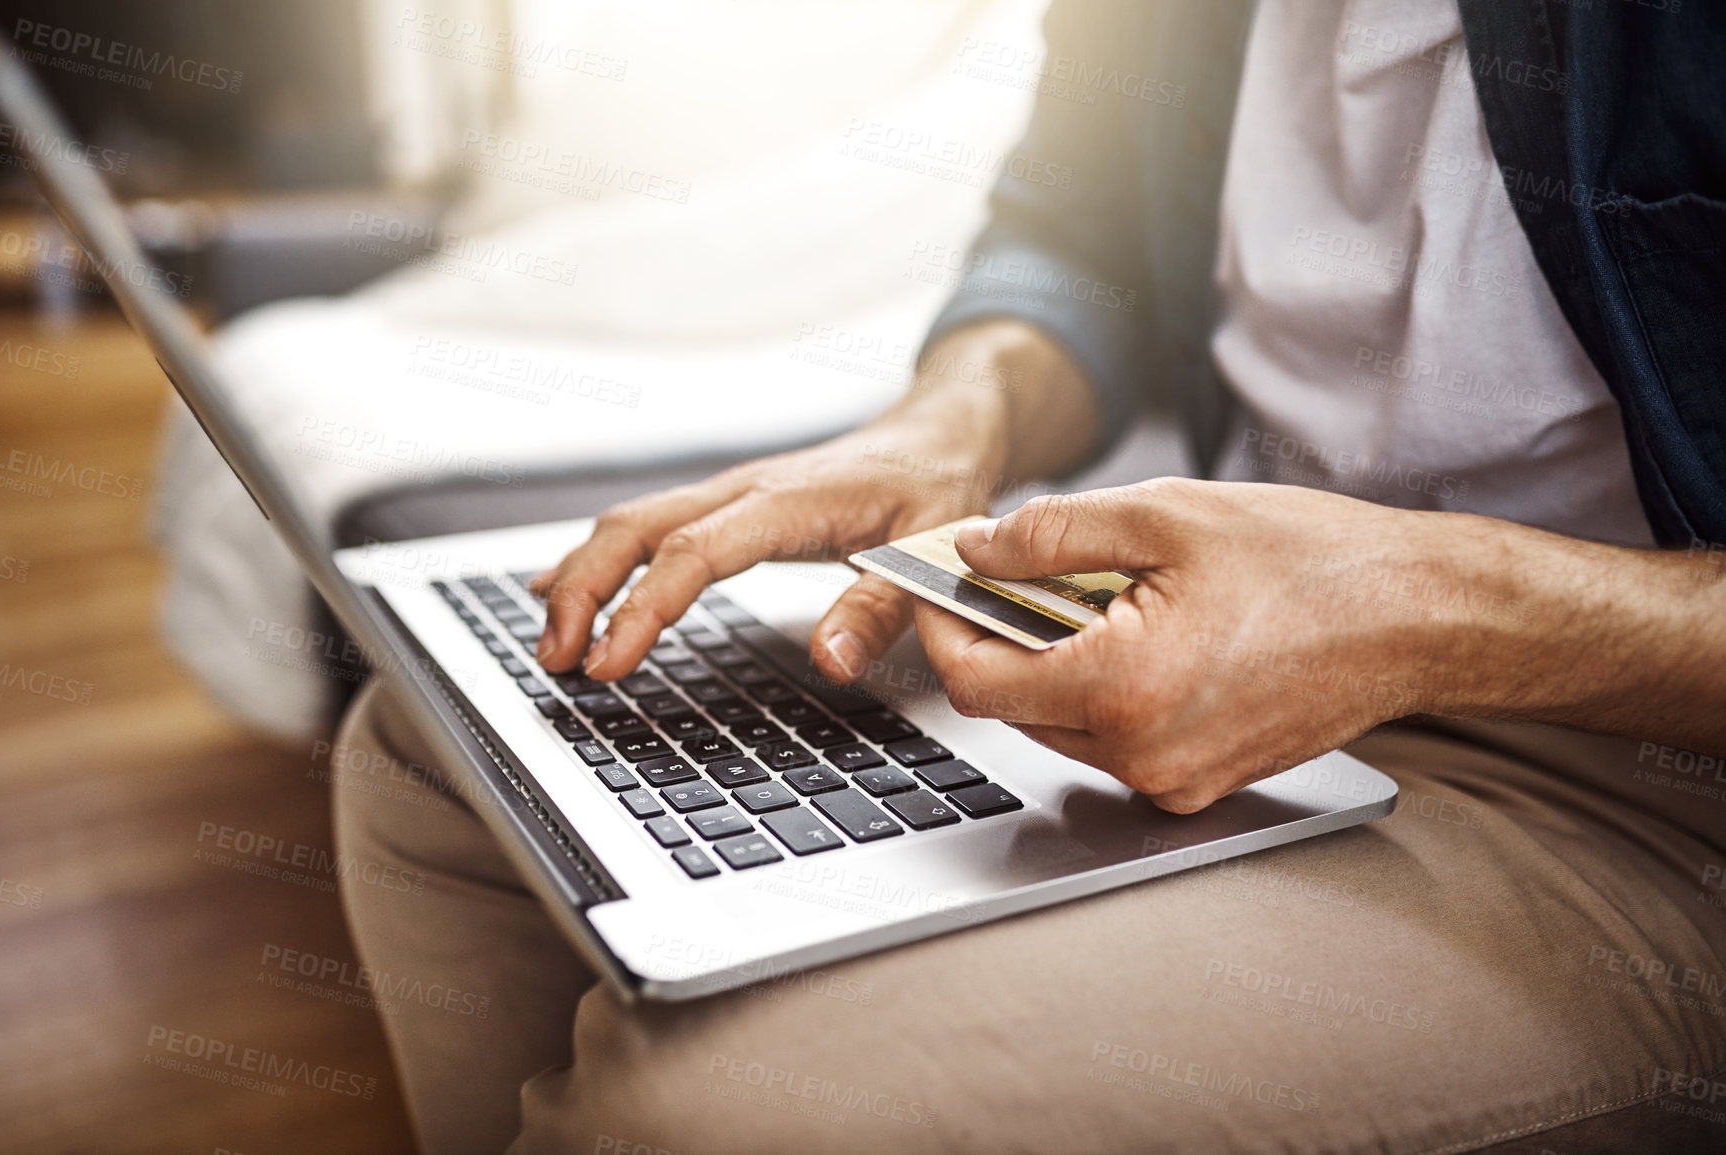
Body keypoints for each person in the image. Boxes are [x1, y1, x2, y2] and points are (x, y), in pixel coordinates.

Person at [333, 1, 1726, 1151]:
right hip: (1172, 618)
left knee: (701, 1120)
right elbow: (1075, 237)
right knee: (434, 749)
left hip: (1637, 762)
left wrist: (1418, 616)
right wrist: (953, 419)